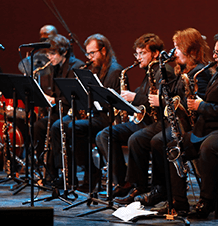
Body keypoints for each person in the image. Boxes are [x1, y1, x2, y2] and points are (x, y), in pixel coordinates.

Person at [154, 30, 218, 218]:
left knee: (209, 148)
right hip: (215, 127)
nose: (214, 56)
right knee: (173, 146)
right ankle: (178, 202)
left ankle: (207, 204)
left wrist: (201, 106)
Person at [134, 28, 214, 207]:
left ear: (191, 51)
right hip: (179, 123)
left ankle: (172, 196)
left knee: (161, 141)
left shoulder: (199, 74)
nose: (173, 52)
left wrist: (167, 102)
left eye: (177, 48)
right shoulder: (182, 71)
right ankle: (161, 189)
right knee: (155, 140)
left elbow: (198, 106)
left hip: (195, 128)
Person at [96, 33, 174, 201]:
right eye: (136, 54)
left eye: (142, 53)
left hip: (159, 122)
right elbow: (145, 94)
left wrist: (134, 97)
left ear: (154, 53)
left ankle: (139, 185)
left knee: (135, 139)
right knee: (105, 134)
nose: (138, 58)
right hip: (144, 120)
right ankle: (122, 182)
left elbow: (160, 100)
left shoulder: (163, 70)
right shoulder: (149, 70)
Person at [51, 33, 124, 192]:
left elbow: (114, 102)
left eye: (92, 53)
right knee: (58, 126)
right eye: (88, 53)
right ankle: (68, 176)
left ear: (103, 51)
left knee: (74, 128)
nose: (89, 57)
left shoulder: (114, 70)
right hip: (94, 114)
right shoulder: (95, 69)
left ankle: (91, 171)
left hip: (107, 117)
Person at [34, 34, 84, 180]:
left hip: (73, 111)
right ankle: (48, 171)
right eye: (48, 54)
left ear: (64, 52)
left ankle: (64, 170)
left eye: (52, 53)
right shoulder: (56, 67)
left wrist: (54, 99)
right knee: (38, 126)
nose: (49, 57)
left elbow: (75, 96)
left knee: (56, 127)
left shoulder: (76, 66)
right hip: (60, 110)